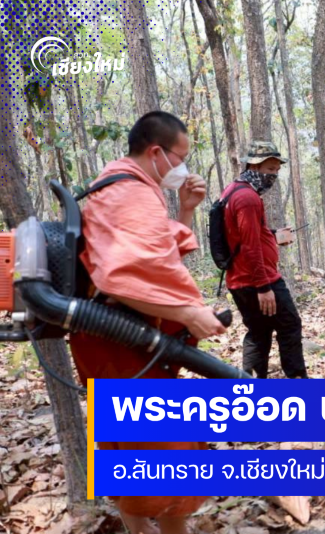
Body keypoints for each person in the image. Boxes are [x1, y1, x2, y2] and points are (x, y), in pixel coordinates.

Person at [69, 111, 227, 534]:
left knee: (136, 453)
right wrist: (190, 313)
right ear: (156, 152)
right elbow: (121, 278)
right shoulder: (128, 193)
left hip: (124, 341)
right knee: (160, 457)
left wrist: (186, 209)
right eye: (181, 157)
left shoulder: (134, 189)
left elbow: (159, 261)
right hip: (118, 340)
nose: (183, 167)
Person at [220, 141, 308, 379]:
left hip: (240, 278)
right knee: (290, 326)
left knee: (258, 333)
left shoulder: (233, 190)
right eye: (270, 170)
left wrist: (272, 236)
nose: (274, 176)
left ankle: (249, 385)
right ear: (253, 166)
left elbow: (243, 235)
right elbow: (249, 245)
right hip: (257, 279)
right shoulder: (248, 198)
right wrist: (263, 287)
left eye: (277, 171)